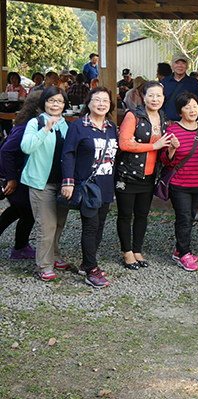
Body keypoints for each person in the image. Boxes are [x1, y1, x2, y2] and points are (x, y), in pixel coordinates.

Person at [61, 87, 119, 288]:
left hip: (106, 185)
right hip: (87, 185)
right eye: (97, 100)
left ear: (110, 104)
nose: (102, 103)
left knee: (100, 227)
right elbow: (68, 154)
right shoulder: (78, 126)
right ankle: (91, 270)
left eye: (106, 100)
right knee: (90, 227)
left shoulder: (111, 127)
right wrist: (68, 182)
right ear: (89, 102)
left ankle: (87, 264)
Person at [115, 81, 172, 270]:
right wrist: (153, 146)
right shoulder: (133, 116)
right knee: (125, 215)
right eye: (151, 95)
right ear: (144, 97)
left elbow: (164, 147)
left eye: (159, 96)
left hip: (149, 175)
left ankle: (137, 250)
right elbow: (124, 144)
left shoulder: (163, 118)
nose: (155, 99)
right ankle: (127, 252)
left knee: (142, 215)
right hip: (128, 175)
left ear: (163, 98)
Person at [161, 92, 198, 272]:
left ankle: (179, 250)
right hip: (179, 183)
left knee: (190, 217)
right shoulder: (172, 131)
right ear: (180, 111)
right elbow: (166, 161)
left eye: (195, 106)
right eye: (187, 106)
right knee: (183, 218)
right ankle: (184, 253)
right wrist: (172, 149)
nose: (192, 110)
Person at [21, 86, 70, 281]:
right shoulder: (35, 122)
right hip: (41, 183)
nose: (55, 104)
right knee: (46, 225)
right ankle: (44, 265)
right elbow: (26, 147)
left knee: (58, 223)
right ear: (44, 103)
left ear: (64, 105)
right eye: (51, 100)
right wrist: (45, 129)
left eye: (59, 101)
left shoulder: (66, 124)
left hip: (62, 183)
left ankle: (56, 255)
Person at [0, 93, 41, 260]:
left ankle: (20, 246)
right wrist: (11, 179)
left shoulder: (29, 123)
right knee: (28, 211)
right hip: (15, 176)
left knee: (16, 210)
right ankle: (20, 247)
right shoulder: (25, 128)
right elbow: (6, 151)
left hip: (20, 175)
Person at [162, 54, 198, 122]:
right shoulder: (164, 82)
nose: (180, 66)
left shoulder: (194, 83)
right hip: (167, 122)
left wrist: (194, 115)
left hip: (188, 123)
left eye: (183, 63)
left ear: (187, 66)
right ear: (172, 66)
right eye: (177, 63)